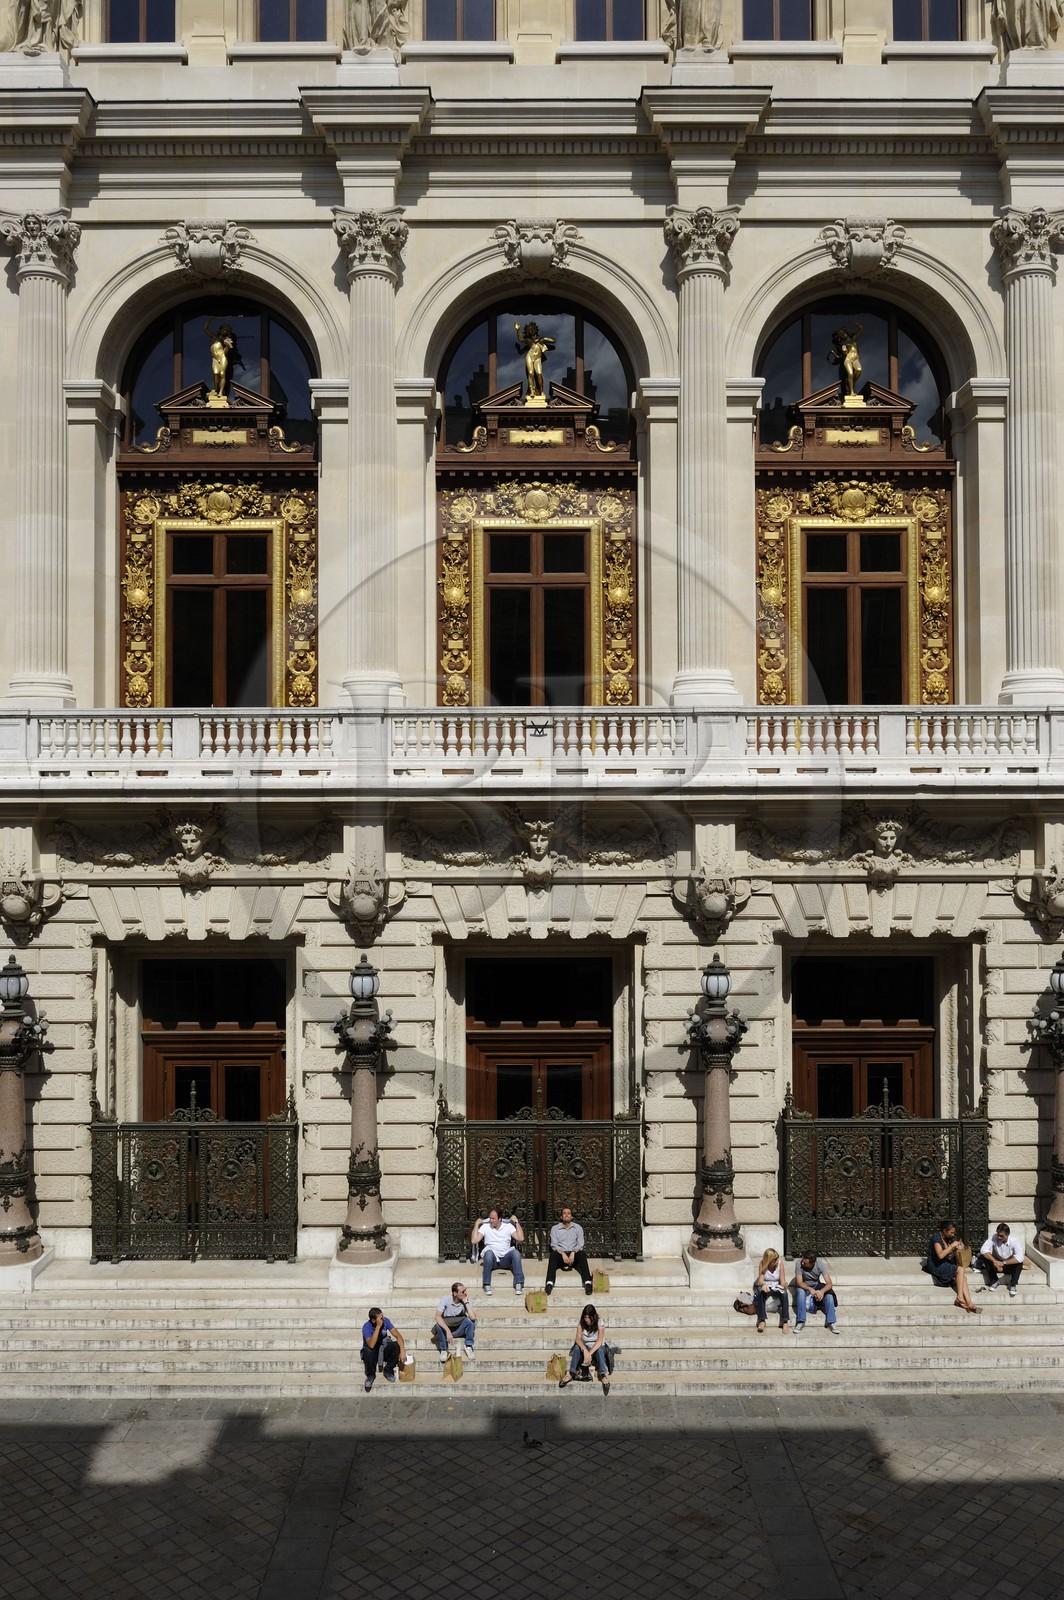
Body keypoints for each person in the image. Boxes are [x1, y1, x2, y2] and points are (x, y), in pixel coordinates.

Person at [927, 1219, 980, 1313]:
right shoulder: (936, 1238)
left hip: (945, 1262)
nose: (952, 1234)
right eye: (951, 1232)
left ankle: (969, 1302)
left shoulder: (948, 1238)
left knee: (963, 1278)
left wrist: (956, 1248)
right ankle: (959, 1297)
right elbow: (940, 1255)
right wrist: (951, 1246)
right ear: (944, 1231)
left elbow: (948, 1253)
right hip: (936, 1265)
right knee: (960, 1269)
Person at [471, 1207, 525, 1295]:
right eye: (490, 1218)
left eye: (493, 1218)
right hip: (492, 1260)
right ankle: (486, 1284)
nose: (491, 1220)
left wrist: (516, 1222)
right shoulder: (485, 1227)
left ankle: (518, 1283)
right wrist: (476, 1225)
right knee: (488, 1253)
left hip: (505, 1259)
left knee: (515, 1253)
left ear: (499, 1219)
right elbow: (474, 1240)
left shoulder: (508, 1227)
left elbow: (520, 1238)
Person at [558, 1303, 610, 1394]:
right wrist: (585, 1350)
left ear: (594, 1316)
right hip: (585, 1348)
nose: (586, 1320)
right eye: (585, 1317)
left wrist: (589, 1354)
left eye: (589, 1317)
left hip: (596, 1348)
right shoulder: (581, 1323)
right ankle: (571, 1373)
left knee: (600, 1350)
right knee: (576, 1348)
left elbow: (599, 1341)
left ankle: (602, 1374)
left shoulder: (599, 1322)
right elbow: (578, 1339)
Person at [545, 1205, 593, 1296]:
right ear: (561, 1217)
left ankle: (587, 1282)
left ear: (571, 1217)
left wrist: (573, 1252)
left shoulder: (578, 1228)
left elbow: (580, 1243)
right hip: (561, 1255)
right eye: (564, 1213)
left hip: (573, 1254)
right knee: (553, 1255)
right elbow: (554, 1244)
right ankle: (549, 1283)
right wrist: (563, 1253)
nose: (566, 1215)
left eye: (568, 1213)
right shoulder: (555, 1229)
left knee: (582, 1254)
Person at [360, 1305, 407, 1391]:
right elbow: (371, 1345)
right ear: (373, 1320)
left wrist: (402, 1351)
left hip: (383, 1348)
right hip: (372, 1352)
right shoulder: (366, 1327)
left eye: (382, 1316)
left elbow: (398, 1336)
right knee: (368, 1350)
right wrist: (378, 1327)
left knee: (396, 1345)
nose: (383, 1319)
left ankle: (388, 1370)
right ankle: (370, 1375)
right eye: (380, 1318)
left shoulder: (386, 1321)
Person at [793, 1249, 840, 1335]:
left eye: (805, 1263)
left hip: (816, 1285)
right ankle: (801, 1321)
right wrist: (810, 1289)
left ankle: (831, 1322)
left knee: (829, 1296)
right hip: (803, 1286)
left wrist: (821, 1291)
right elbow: (799, 1282)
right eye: (803, 1261)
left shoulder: (819, 1264)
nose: (802, 1263)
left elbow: (829, 1284)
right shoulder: (799, 1263)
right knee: (801, 1293)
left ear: (812, 1263)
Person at [978, 1222, 1025, 1297]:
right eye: (998, 1235)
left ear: (1007, 1235)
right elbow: (983, 1249)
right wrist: (995, 1262)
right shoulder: (994, 1237)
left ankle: (1013, 1284)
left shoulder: (1014, 1241)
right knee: (985, 1256)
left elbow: (1020, 1257)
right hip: (996, 1264)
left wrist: (1003, 1263)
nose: (999, 1237)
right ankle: (994, 1281)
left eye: (1001, 1236)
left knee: (1019, 1263)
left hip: (1008, 1264)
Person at [433, 1281, 477, 1360]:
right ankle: (444, 1350)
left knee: (470, 1321)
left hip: (459, 1328)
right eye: (463, 1291)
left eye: (465, 1290)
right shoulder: (446, 1299)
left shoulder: (466, 1300)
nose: (465, 1293)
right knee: (438, 1324)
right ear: (455, 1293)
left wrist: (466, 1302)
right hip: (447, 1329)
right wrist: (448, 1331)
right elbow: (437, 1316)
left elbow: (473, 1317)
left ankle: (468, 1346)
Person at [753, 1248, 790, 1333]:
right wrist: (763, 1285)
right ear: (769, 1260)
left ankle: (785, 1321)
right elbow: (761, 1280)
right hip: (767, 1286)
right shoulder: (762, 1264)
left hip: (777, 1286)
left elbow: (783, 1281)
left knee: (784, 1294)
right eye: (775, 1260)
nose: (777, 1261)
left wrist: (783, 1286)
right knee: (760, 1291)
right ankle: (762, 1320)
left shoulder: (780, 1264)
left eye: (777, 1259)